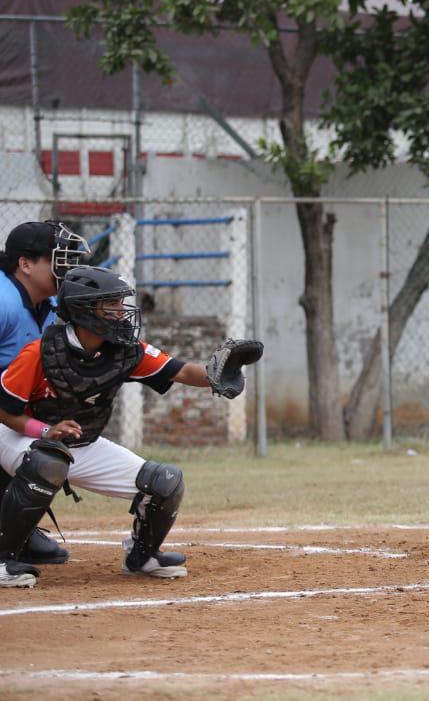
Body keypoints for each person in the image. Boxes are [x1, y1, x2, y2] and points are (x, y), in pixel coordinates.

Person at [0, 265, 262, 588]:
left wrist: (213, 374)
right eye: (110, 305)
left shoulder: (124, 351)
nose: (121, 313)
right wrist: (44, 431)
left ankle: (142, 556)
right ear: (84, 310)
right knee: (48, 461)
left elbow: (179, 371)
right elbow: (5, 412)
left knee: (165, 482)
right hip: (20, 435)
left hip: (82, 443)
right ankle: (3, 558)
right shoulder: (40, 353)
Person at [0, 220, 89, 565]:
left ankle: (15, 528)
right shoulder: (4, 301)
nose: (66, 267)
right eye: (57, 258)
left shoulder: (53, 304)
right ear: (25, 264)